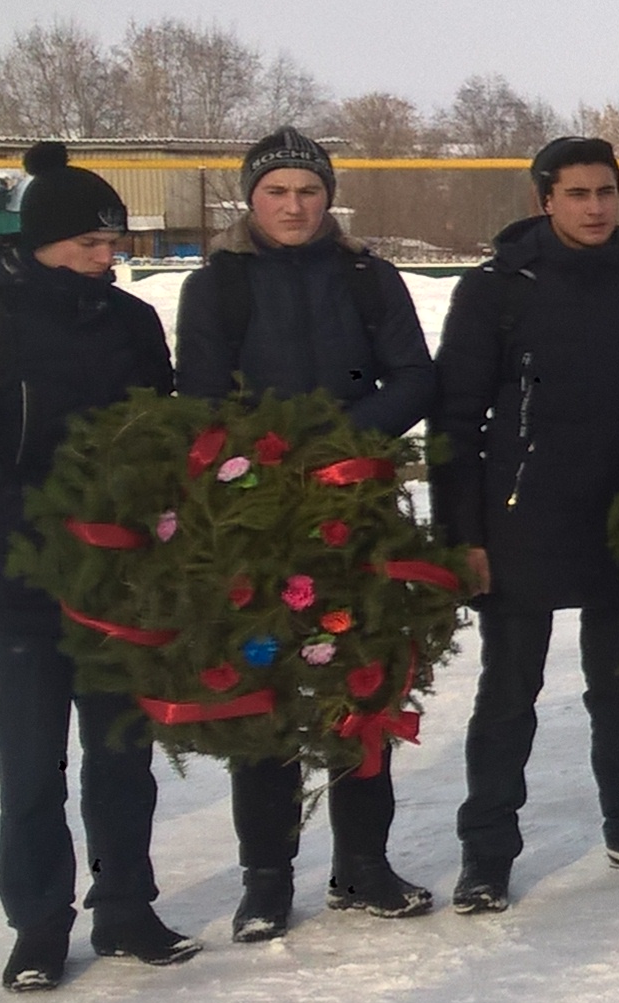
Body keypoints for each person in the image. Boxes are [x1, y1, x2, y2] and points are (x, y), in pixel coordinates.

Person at [0, 144, 196, 991]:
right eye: (92, 246)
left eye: (112, 246)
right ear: (43, 243)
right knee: (33, 765)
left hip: (120, 584)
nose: (109, 259)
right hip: (24, 581)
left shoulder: (131, 323)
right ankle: (37, 924)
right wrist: (40, 529)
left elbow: (161, 433)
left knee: (122, 755)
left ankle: (126, 909)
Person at [176, 127, 442, 940]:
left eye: (308, 191)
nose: (294, 207)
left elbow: (416, 377)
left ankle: (363, 864)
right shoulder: (218, 285)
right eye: (277, 192)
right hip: (255, 514)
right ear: (249, 199)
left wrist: (343, 447)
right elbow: (198, 398)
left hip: (357, 508)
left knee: (364, 683)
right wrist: (263, 462)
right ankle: (267, 876)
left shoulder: (368, 278)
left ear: (329, 198)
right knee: (265, 690)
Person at [434, 136, 619, 915]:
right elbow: (454, 419)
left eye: (607, 192)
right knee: (508, 693)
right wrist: (466, 534)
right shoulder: (498, 289)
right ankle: (486, 853)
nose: (595, 207)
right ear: (544, 200)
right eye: (578, 194)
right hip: (523, 516)